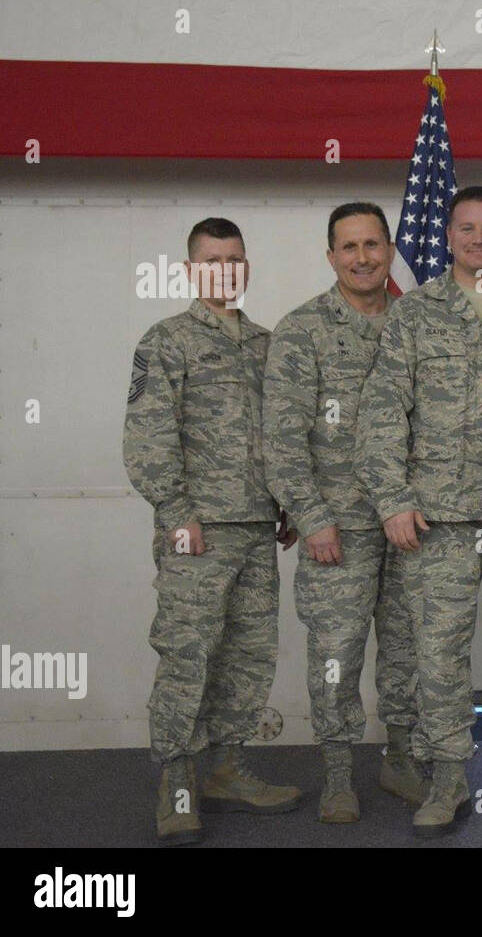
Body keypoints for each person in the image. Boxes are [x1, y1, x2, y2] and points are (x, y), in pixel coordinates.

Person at [356, 186, 482, 837]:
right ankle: (445, 778)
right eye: (465, 228)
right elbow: (383, 413)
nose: (478, 239)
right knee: (438, 657)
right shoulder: (414, 315)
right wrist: (393, 499)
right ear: (447, 236)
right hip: (434, 522)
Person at [123, 217, 301, 845]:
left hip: (256, 528)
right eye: (212, 260)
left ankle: (226, 767)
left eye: (235, 259)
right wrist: (177, 514)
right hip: (196, 531)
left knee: (247, 658)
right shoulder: (166, 342)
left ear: (245, 268)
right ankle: (177, 782)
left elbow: (283, 435)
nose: (225, 270)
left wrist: (289, 503)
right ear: (192, 270)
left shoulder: (267, 343)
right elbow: (147, 441)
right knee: (187, 656)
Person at [263, 203, 425, 823]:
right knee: (337, 653)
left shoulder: (417, 322)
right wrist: (311, 515)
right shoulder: (303, 329)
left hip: (413, 522)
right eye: (349, 247)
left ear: (389, 251)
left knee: (408, 649)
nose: (362, 258)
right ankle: (337, 773)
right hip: (339, 526)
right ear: (330, 256)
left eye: (373, 245)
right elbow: (280, 438)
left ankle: (402, 757)